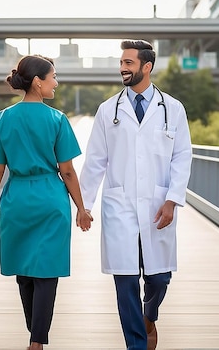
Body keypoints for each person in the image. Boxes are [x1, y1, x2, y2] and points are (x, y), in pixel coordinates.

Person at [79, 40, 192, 350]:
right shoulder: (107, 111)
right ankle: (136, 345)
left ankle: (150, 313)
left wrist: (172, 199)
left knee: (159, 278)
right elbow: (95, 161)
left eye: (129, 63)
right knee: (125, 280)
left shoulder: (173, 109)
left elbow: (182, 156)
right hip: (120, 206)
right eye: (121, 62)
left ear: (147, 67)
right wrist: (83, 205)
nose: (122, 68)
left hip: (159, 204)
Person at [0, 54, 93, 350]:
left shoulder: (3, 118)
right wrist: (81, 209)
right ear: (37, 82)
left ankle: (34, 334)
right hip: (50, 199)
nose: (56, 82)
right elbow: (67, 170)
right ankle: (37, 340)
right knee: (47, 270)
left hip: (17, 198)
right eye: (53, 77)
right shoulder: (57, 120)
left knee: (24, 270)